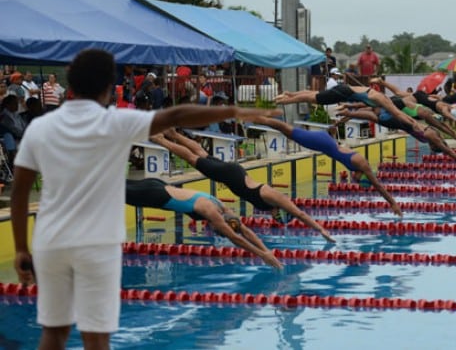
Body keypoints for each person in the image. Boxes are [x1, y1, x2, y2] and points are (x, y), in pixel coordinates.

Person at [10, 49, 283, 349]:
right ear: (107, 88)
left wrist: (22, 248)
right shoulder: (116, 121)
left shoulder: (40, 128)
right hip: (97, 244)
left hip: (51, 242)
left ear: (69, 85)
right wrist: (234, 112)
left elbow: (21, 192)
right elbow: (177, 115)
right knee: (96, 338)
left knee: (53, 334)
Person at [150, 129, 335, 242]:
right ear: (280, 212)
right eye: (277, 218)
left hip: (233, 174)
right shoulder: (275, 198)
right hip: (230, 175)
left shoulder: (270, 204)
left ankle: (172, 134)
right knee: (193, 158)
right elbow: (300, 213)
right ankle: (160, 139)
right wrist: (320, 229)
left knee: (201, 153)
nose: (273, 218)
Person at [250, 116, 403, 217]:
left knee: (288, 132)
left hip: (326, 143)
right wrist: (393, 203)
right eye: (357, 180)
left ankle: (262, 119)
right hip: (324, 143)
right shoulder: (363, 165)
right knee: (288, 130)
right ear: (362, 176)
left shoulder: (358, 165)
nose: (353, 179)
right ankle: (260, 118)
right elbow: (378, 185)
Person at [126, 178, 285, 262]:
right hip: (154, 195)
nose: (218, 232)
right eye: (221, 231)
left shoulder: (224, 208)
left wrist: (267, 250)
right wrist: (262, 255)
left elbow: (244, 230)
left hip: (158, 186)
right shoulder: (212, 211)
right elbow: (235, 237)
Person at [274, 82, 423, 131]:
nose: (377, 113)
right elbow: (398, 114)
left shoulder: (377, 100)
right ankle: (284, 100)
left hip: (345, 92)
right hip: (344, 92)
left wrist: (346, 108)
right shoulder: (383, 101)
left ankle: (290, 94)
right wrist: (415, 123)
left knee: (314, 94)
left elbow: (359, 105)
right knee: (313, 98)